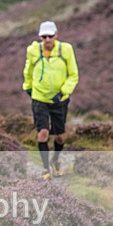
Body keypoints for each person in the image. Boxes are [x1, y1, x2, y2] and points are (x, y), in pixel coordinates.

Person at [22, 20, 79, 180]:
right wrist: (28, 87)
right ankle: (46, 168)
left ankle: (55, 161)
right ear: (40, 37)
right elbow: (28, 70)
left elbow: (73, 75)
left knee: (60, 136)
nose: (47, 39)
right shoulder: (33, 51)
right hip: (40, 98)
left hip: (59, 100)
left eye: (50, 36)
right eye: (44, 36)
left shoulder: (66, 50)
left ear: (56, 35)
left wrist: (63, 92)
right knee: (43, 133)